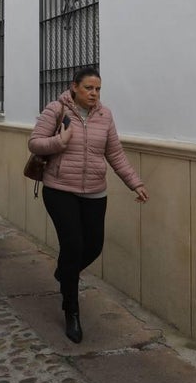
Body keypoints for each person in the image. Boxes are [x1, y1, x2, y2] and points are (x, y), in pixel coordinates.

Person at [28, 67, 148, 343]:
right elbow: (34, 143)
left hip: (94, 191)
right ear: (74, 88)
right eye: (88, 88)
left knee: (93, 245)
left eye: (97, 89)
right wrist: (61, 140)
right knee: (73, 246)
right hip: (60, 190)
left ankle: (64, 272)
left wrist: (135, 183)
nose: (94, 94)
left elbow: (115, 153)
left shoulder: (105, 116)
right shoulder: (56, 110)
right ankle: (71, 310)